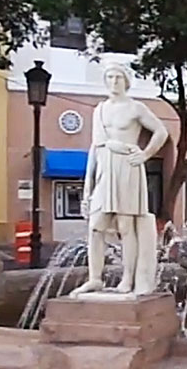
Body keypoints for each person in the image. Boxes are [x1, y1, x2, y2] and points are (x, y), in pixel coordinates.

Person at [71, 61, 169, 296]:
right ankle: (95, 278)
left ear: (126, 81)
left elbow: (161, 132)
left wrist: (145, 154)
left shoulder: (136, 108)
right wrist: (87, 189)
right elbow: (94, 148)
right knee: (96, 227)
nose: (114, 82)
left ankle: (128, 278)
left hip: (127, 166)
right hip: (105, 167)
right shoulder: (100, 109)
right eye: (110, 77)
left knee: (126, 227)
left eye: (118, 77)